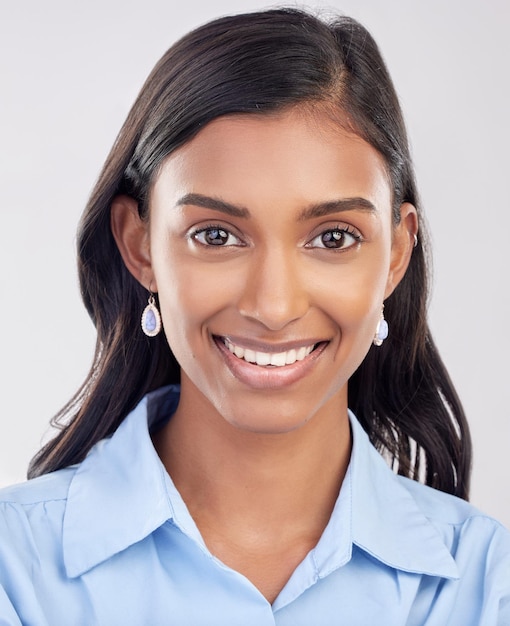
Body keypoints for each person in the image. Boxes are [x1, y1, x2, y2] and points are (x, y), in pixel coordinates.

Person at [0, 7, 509, 625]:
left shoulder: (487, 585)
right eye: (216, 236)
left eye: (333, 238)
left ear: (397, 255)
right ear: (140, 246)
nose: (274, 307)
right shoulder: (15, 571)